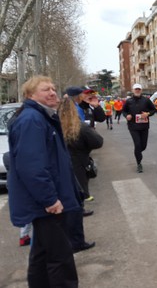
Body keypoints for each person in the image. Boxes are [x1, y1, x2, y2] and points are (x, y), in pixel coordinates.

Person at [8, 76, 79, 287]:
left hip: (44, 202)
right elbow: (32, 166)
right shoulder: (32, 120)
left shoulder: (39, 117)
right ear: (30, 95)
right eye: (45, 89)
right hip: (46, 204)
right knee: (60, 258)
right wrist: (50, 199)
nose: (52, 93)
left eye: (54, 89)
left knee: (41, 254)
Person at [58, 96, 103, 253]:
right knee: (76, 204)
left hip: (59, 169)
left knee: (67, 205)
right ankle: (76, 242)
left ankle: (67, 239)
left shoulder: (52, 125)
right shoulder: (78, 126)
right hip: (77, 165)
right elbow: (98, 141)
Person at [122, 83, 156, 173]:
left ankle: (137, 153)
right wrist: (127, 116)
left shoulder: (146, 100)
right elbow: (124, 111)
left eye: (139, 89)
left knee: (143, 146)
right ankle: (139, 163)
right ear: (133, 90)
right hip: (133, 126)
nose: (137, 90)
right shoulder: (129, 101)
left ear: (141, 90)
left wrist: (147, 114)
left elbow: (153, 109)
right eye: (136, 89)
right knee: (137, 144)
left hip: (144, 126)